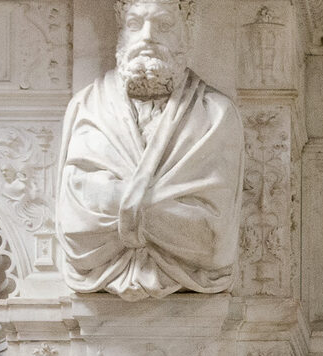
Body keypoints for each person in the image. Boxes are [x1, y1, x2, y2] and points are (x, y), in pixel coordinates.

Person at [56, 0, 244, 300]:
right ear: (122, 34)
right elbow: (78, 227)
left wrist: (114, 202)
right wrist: (168, 214)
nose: (147, 36)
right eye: (135, 24)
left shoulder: (216, 115)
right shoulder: (86, 108)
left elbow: (213, 241)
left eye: (164, 24)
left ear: (185, 35)